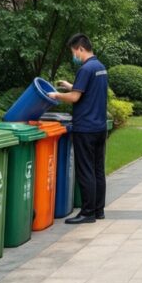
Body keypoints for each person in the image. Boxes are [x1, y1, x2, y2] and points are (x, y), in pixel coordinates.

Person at [48, 34, 109, 225]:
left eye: (74, 52)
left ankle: (87, 213)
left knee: (85, 171)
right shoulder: (100, 67)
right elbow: (86, 90)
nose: (74, 56)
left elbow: (75, 97)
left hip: (85, 128)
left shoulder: (85, 68)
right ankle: (98, 210)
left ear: (81, 49)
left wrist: (56, 95)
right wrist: (70, 86)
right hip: (99, 127)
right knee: (98, 170)